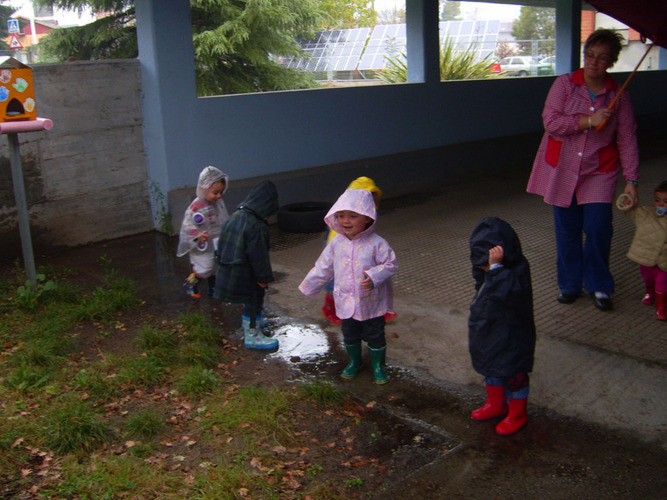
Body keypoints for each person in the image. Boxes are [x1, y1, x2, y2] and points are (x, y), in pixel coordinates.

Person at [527, 28, 640, 312]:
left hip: (599, 170)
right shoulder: (565, 84)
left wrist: (632, 179)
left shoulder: (619, 95)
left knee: (599, 228)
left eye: (602, 58)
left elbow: (626, 136)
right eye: (590, 55)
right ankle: (569, 285)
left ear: (612, 62)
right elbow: (551, 122)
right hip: (563, 167)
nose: (594, 63)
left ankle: (599, 285)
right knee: (567, 229)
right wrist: (588, 121)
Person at [299, 188, 397, 384]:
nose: (345, 221)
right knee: (350, 333)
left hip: (371, 302)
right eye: (341, 215)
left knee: (375, 334)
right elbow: (323, 266)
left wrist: (373, 276)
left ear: (368, 218)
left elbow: (390, 264)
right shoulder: (336, 244)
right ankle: (354, 361)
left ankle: (378, 365)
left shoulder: (377, 244)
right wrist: (310, 286)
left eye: (353, 216)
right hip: (345, 300)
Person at [468, 217, 536, 436]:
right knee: (492, 369)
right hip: (488, 332)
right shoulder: (489, 271)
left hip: (512, 334)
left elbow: (507, 293)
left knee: (514, 373)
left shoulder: (516, 271)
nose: (484, 268)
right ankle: (495, 403)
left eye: (488, 264)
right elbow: (482, 286)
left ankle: (517, 413)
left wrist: (496, 270)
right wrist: (486, 269)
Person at [321, 176, 398, 325]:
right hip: (341, 256)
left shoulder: (365, 220)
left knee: (367, 279)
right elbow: (333, 247)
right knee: (338, 281)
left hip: (357, 256)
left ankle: (375, 308)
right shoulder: (342, 223)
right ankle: (331, 306)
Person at [213, 180, 279, 350]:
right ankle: (252, 334)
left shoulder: (235, 216)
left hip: (229, 268)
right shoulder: (256, 226)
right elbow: (259, 257)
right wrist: (263, 278)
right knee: (254, 300)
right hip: (245, 273)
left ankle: (253, 322)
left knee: (250, 301)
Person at [616, 180, 667, 320]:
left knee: (662, 283)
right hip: (646, 257)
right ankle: (649, 292)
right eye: (657, 200)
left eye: (665, 201)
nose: (661, 204)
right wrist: (627, 202)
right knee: (648, 277)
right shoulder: (645, 213)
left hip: (664, 260)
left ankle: (661, 307)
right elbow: (630, 212)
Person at [177, 166, 229, 299]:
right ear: (203, 189)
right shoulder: (197, 206)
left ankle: (213, 288)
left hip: (215, 240)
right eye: (215, 192)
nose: (219, 196)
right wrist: (197, 235)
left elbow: (222, 218)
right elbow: (187, 225)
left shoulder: (217, 203)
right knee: (204, 268)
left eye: (221, 192)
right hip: (202, 243)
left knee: (214, 267)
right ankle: (191, 282)